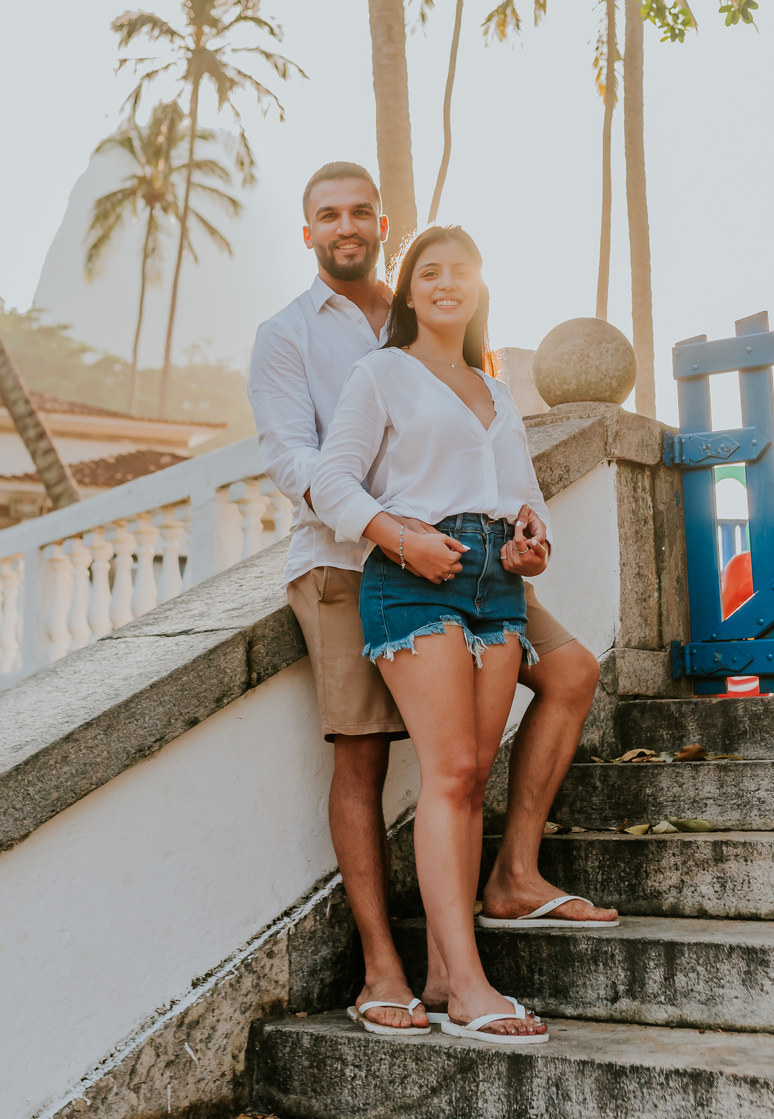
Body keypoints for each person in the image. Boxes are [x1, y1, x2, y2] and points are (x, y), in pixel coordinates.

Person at [248, 165, 615, 1038]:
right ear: (308, 232)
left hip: (481, 570)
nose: (345, 226)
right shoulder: (298, 337)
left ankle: (504, 888)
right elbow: (303, 464)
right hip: (357, 565)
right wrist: (392, 530)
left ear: (383, 226)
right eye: (326, 215)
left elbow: (508, 480)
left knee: (559, 679)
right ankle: (387, 968)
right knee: (370, 756)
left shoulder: (471, 368)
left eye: (359, 214)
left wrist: (528, 541)